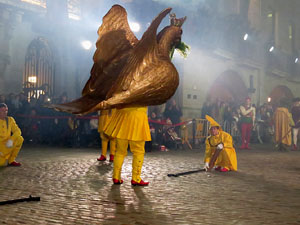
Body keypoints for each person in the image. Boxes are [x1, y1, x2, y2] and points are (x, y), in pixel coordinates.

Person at [104, 107, 151, 186]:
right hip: (138, 120)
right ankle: (136, 178)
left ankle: (116, 177)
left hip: (123, 120)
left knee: (120, 151)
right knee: (138, 151)